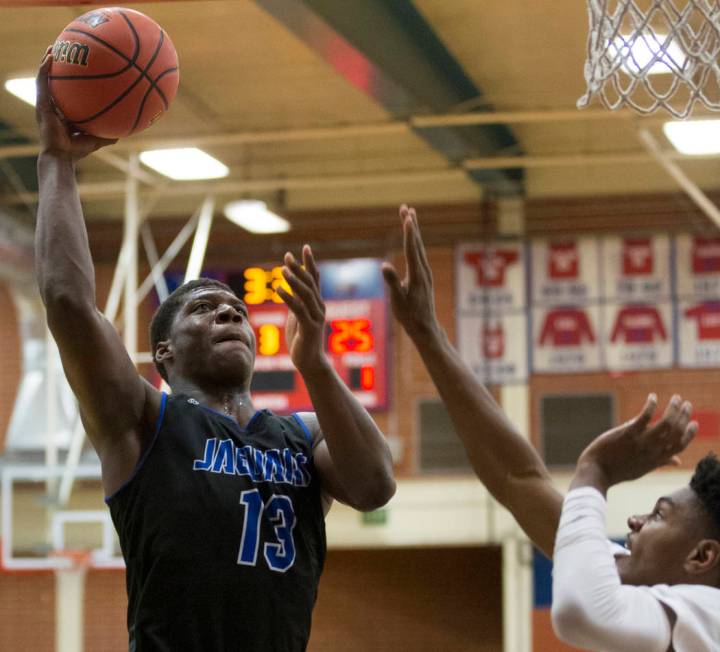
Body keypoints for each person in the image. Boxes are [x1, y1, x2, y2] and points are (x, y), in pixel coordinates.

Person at [34, 53, 395, 652]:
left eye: (237, 311)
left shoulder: (302, 436)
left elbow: (376, 486)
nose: (229, 313)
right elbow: (69, 303)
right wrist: (56, 161)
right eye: (203, 308)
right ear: (163, 352)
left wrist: (317, 364)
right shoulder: (144, 420)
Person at [382, 204, 720, 650]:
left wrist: (594, 470)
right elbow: (517, 479)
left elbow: (581, 612)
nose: (634, 520)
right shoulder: (664, 600)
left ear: (701, 557)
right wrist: (428, 335)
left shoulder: (708, 611)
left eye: (659, 515)